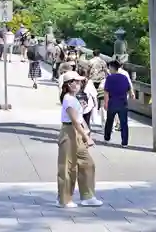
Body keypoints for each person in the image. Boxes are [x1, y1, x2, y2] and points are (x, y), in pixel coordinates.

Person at [57, 70, 103, 208]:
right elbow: (74, 121)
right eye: (76, 82)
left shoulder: (74, 98)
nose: (79, 84)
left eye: (80, 82)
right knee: (67, 167)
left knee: (87, 163)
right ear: (68, 84)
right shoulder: (68, 99)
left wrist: (87, 132)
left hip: (77, 132)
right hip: (69, 132)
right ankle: (64, 199)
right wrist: (85, 137)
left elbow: (80, 119)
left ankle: (88, 196)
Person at [104, 60, 134, 147]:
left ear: (111, 68)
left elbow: (106, 92)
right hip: (123, 103)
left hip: (112, 102)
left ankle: (107, 138)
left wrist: (105, 103)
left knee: (109, 121)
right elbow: (128, 89)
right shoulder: (124, 77)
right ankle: (124, 142)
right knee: (124, 123)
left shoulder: (109, 78)